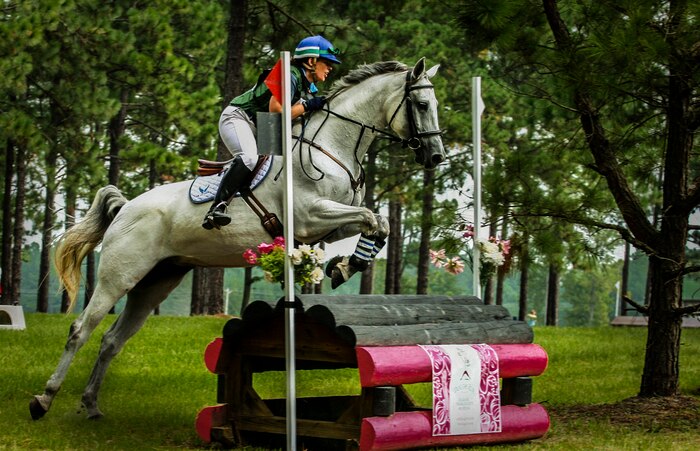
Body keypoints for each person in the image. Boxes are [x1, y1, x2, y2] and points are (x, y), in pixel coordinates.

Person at [203, 35, 341, 230]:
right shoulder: (290, 75)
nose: (330, 68)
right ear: (312, 61)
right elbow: (276, 111)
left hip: (264, 126)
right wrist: (307, 106)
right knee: (249, 158)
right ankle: (217, 208)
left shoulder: (307, 85)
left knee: (277, 168)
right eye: (327, 63)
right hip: (239, 118)